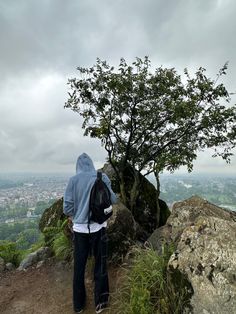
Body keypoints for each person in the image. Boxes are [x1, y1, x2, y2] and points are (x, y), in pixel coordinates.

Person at [63, 153, 117, 314]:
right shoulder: (102, 177)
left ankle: (79, 305)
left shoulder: (73, 181)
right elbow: (113, 199)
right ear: (91, 164)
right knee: (100, 264)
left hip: (80, 230)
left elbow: (67, 208)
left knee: (79, 267)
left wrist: (75, 216)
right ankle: (101, 303)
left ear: (77, 166)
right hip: (99, 228)